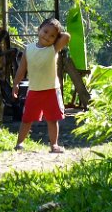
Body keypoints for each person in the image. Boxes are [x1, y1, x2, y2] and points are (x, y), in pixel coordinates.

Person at [12, 17, 70, 153]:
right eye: (45, 32)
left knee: (52, 120)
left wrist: (57, 35)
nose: (47, 37)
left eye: (52, 36)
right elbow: (21, 69)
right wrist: (15, 84)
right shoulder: (28, 49)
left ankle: (54, 145)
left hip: (51, 90)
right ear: (39, 30)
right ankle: (19, 143)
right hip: (34, 90)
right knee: (27, 119)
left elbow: (67, 37)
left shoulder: (53, 48)